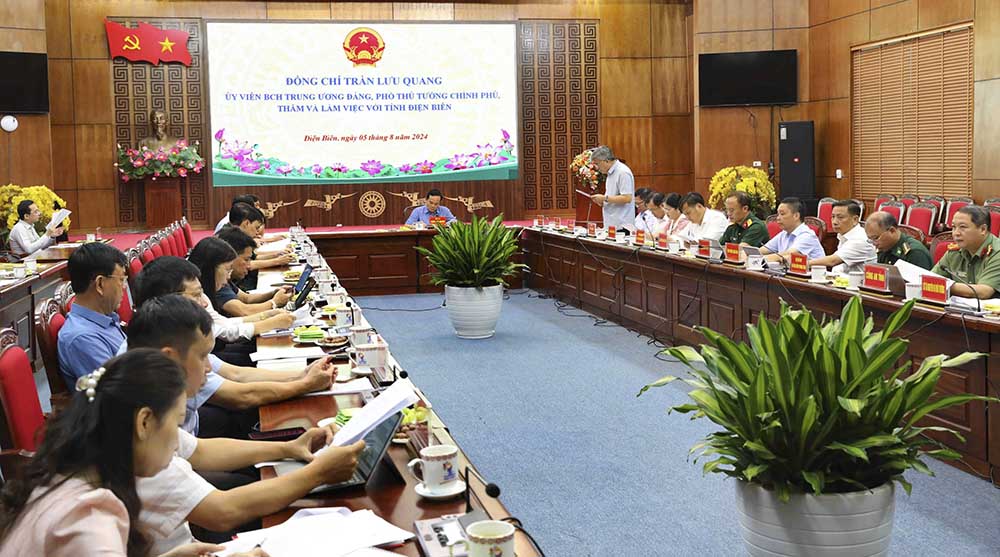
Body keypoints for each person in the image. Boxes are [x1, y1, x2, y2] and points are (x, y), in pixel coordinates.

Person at [123, 297, 364, 553]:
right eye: (203, 356)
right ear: (170, 357)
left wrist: (289, 448)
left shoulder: (138, 396)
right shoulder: (142, 437)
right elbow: (223, 512)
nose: (208, 368)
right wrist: (320, 473)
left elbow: (199, 450)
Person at [0, 349, 266, 557]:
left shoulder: (63, 476)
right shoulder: (89, 516)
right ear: (144, 423)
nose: (176, 444)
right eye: (174, 425)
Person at [126, 295, 333, 438]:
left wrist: (301, 375)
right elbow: (241, 395)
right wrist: (305, 384)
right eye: (196, 295)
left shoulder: (176, 347)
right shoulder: (147, 408)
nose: (204, 303)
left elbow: (195, 449)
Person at [57, 242, 129, 388]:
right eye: (121, 280)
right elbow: (118, 392)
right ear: (100, 284)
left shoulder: (105, 319)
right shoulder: (82, 338)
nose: (125, 286)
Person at [188, 236, 292, 318]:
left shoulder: (216, 280)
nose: (228, 277)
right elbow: (243, 312)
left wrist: (272, 294)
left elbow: (246, 299)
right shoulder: (208, 288)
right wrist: (274, 303)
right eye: (228, 269)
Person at [932, 205, 1000, 298]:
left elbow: (984, 292)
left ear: (983, 229)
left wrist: (944, 285)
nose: (956, 233)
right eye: (953, 227)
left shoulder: (996, 252)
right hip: (959, 309)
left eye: (962, 227)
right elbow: (931, 278)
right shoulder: (954, 252)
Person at [808, 199, 876, 272]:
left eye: (840, 217)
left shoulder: (860, 239)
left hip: (859, 282)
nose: (834, 222)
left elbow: (832, 261)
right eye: (833, 217)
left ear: (855, 219)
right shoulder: (843, 234)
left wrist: (805, 263)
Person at [759, 197, 826, 262]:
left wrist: (760, 259)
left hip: (812, 272)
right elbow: (763, 250)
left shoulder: (807, 235)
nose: (778, 218)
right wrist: (750, 253)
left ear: (796, 216)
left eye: (782, 214)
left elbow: (789, 254)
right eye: (778, 214)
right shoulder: (784, 233)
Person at [588, 146, 635, 232]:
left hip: (622, 225)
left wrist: (604, 198)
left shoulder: (623, 172)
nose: (597, 168)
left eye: (597, 164)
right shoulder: (610, 173)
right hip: (611, 223)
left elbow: (627, 198)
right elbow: (613, 197)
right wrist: (602, 201)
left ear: (606, 160)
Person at [865, 211, 933, 270]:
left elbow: (919, 283)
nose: (874, 243)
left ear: (892, 231)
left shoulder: (915, 253)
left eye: (876, 238)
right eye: (871, 239)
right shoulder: (884, 249)